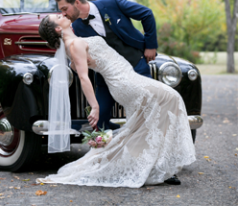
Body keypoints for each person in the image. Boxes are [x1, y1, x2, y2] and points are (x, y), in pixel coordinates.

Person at [35, 11, 196, 187]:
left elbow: (75, 65)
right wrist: (95, 106)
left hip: (127, 78)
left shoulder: (71, 44)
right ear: (58, 29)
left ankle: (153, 166)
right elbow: (83, 77)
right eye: (58, 18)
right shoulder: (75, 44)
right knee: (171, 97)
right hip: (124, 81)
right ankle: (159, 164)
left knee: (142, 123)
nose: (62, 15)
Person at [56, 0, 157, 132]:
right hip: (107, 76)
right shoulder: (76, 26)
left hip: (135, 62)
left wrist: (151, 46)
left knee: (147, 107)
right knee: (98, 120)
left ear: (77, 2)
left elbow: (146, 14)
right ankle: (110, 139)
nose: (63, 14)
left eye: (65, 8)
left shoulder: (113, 3)